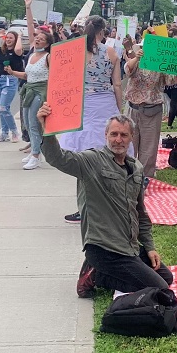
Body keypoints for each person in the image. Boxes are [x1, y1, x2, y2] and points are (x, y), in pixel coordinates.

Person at [37, 105, 172, 296]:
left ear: (131, 137)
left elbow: (140, 213)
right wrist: (47, 130)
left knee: (166, 277)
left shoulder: (136, 168)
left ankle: (100, 272)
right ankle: (96, 275)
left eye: (124, 135)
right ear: (106, 135)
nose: (118, 140)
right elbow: (58, 158)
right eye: (114, 134)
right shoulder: (91, 161)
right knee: (160, 289)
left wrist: (149, 248)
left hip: (129, 246)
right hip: (104, 249)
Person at [59, 15, 127, 224]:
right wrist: (119, 109)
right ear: (103, 31)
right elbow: (117, 85)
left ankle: (85, 208)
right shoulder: (111, 52)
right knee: (108, 157)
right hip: (105, 105)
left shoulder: (75, 50)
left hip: (81, 106)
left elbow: (64, 79)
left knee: (83, 161)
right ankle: (108, 206)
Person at [7, 18, 53, 170]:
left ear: (47, 44)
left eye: (41, 39)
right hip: (28, 90)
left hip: (40, 92)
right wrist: (13, 72)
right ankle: (35, 149)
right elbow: (27, 76)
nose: (37, 40)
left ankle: (36, 156)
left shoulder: (48, 57)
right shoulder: (32, 56)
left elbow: (56, 76)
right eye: (37, 38)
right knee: (26, 122)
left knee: (34, 124)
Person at [123, 41, 167, 178]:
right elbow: (127, 70)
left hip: (152, 110)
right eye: (143, 47)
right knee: (129, 146)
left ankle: (145, 179)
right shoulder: (137, 59)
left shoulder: (161, 62)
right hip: (132, 109)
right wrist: (136, 58)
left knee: (149, 149)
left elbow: (172, 79)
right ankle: (127, 176)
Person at [0, 24, 25, 142]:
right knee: (0, 108)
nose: (8, 40)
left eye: (11, 38)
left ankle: (14, 132)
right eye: (7, 37)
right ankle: (4, 133)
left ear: (15, 40)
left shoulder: (17, 52)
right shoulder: (2, 50)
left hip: (10, 80)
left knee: (3, 107)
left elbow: (18, 49)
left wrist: (20, 37)